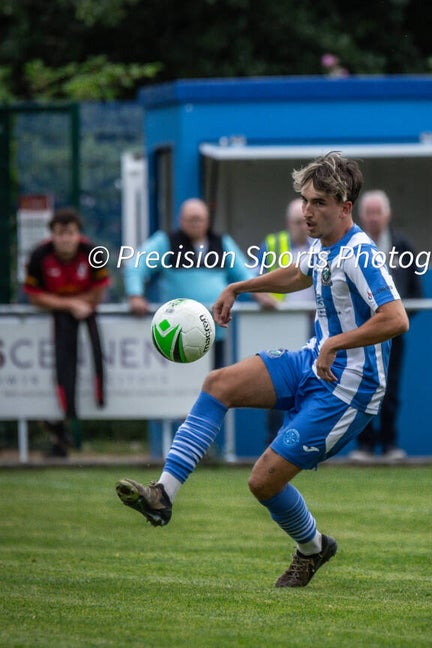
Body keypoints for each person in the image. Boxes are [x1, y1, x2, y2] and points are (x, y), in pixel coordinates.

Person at [116, 152, 409, 588]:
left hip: (349, 391)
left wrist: (336, 343)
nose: (307, 211)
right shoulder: (323, 244)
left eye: (319, 203)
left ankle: (313, 549)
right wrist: (239, 286)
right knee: (219, 384)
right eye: (305, 200)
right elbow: (297, 275)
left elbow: (395, 318)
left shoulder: (361, 254)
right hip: (313, 362)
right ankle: (162, 495)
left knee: (262, 482)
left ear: (345, 207)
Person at [124, 197, 277, 371]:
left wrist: (260, 295)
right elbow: (136, 265)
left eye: (199, 219)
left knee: (215, 382)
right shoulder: (165, 242)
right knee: (180, 383)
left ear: (207, 221)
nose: (195, 224)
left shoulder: (222, 243)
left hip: (215, 332)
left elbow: (244, 274)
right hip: (177, 333)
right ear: (180, 221)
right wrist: (135, 295)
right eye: (191, 219)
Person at [23, 207, 110, 456]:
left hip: (87, 314)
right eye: (60, 234)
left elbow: (99, 292)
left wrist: (81, 304)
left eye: (70, 233)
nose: (65, 239)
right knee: (60, 370)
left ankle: (83, 418)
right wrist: (70, 305)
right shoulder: (39, 255)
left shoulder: (93, 253)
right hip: (55, 321)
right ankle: (60, 428)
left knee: (94, 361)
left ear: (78, 234)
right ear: (52, 235)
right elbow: (33, 296)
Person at [350, 190, 422, 462]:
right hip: (360, 333)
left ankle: (390, 443)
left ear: (387, 215)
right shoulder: (351, 246)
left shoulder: (403, 245)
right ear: (361, 215)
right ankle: (364, 445)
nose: (374, 218)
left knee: (391, 388)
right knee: (361, 385)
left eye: (378, 212)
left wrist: (397, 319)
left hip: (393, 334)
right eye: (369, 212)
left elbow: (416, 292)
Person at [256, 197, 315, 443]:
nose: (301, 227)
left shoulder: (322, 245)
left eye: (304, 222)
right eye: (296, 222)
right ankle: (274, 442)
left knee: (310, 385)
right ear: (287, 223)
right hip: (280, 326)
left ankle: (304, 442)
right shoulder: (272, 244)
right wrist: (263, 298)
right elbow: (256, 279)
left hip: (314, 327)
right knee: (276, 385)